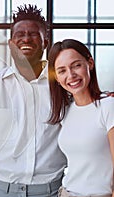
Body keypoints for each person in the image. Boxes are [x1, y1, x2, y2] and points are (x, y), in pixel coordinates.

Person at [0, 4, 67, 197]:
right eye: (20, 34)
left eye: (33, 34)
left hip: (52, 191)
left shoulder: (63, 85)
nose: (26, 38)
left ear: (45, 41)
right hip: (1, 191)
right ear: (11, 43)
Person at [48, 39, 114, 197]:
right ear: (56, 77)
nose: (71, 75)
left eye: (76, 65)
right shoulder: (66, 111)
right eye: (62, 70)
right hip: (67, 193)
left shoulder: (108, 106)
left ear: (89, 63)